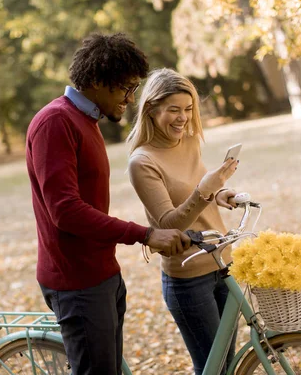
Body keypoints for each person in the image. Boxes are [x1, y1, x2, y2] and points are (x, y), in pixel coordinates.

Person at [25, 34, 191, 375]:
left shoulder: (85, 121)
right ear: (98, 82)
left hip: (102, 273)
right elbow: (65, 211)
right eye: (126, 89)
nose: (131, 99)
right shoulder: (56, 122)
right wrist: (144, 234)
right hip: (76, 282)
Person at [126, 68, 239, 375]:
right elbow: (168, 224)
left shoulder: (189, 142)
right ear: (151, 108)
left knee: (228, 364)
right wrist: (205, 190)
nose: (183, 118)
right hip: (189, 278)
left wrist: (221, 193)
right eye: (173, 110)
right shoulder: (143, 161)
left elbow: (195, 192)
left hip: (223, 262)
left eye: (188, 109)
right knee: (212, 367)